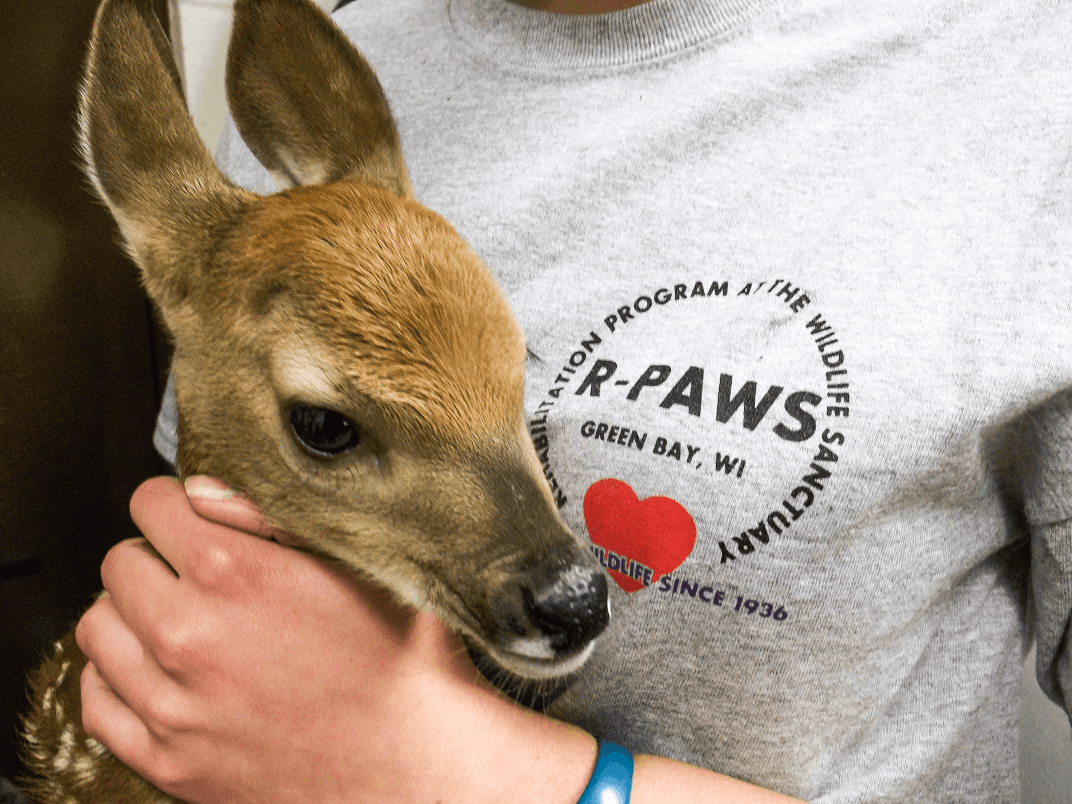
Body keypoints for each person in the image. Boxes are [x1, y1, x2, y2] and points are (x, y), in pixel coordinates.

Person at [74, 0, 1072, 801]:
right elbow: (233, 561)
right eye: (331, 427)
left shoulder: (1029, 83)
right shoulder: (350, 46)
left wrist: (476, 775)